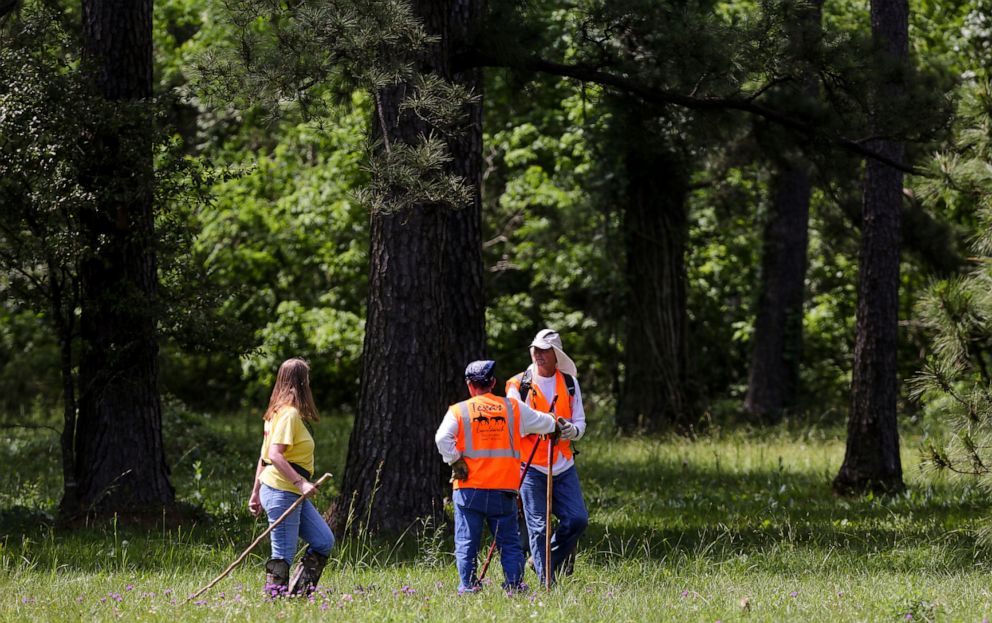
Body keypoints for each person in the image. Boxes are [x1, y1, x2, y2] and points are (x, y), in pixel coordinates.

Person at [435, 360, 560, 594]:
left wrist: (455, 460)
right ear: (492, 383)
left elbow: (442, 438)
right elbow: (543, 422)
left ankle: (469, 587)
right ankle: (514, 586)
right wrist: (556, 423)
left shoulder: (459, 410)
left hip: (468, 489)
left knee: (467, 543)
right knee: (510, 544)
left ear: (469, 385)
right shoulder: (512, 407)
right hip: (503, 490)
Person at [506, 328, 587, 586]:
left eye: (544, 350)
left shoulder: (570, 384)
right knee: (538, 527)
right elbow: (514, 419)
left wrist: (569, 430)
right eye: (535, 349)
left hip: (563, 465)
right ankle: (546, 583)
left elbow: (580, 424)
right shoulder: (518, 384)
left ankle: (544, 559)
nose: (538, 354)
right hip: (530, 466)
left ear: (556, 355)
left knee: (577, 520)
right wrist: (547, 423)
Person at [248, 358, 335, 597]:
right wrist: (300, 482)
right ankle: (274, 602)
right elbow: (273, 456)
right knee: (283, 553)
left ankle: (298, 594)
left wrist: (255, 492)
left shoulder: (275, 414)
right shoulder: (288, 415)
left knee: (323, 540)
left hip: (282, 489)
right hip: (282, 490)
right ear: (302, 382)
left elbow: (263, 457)